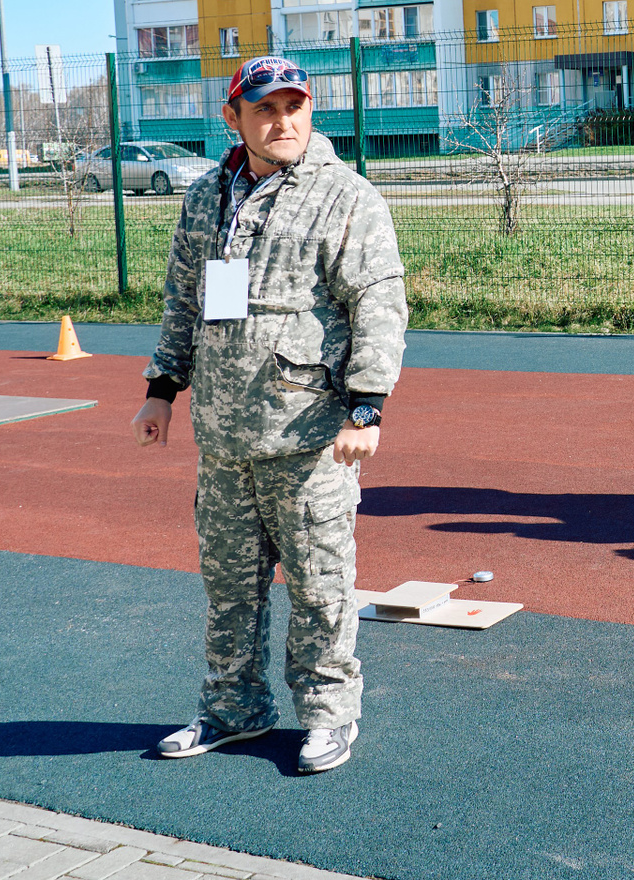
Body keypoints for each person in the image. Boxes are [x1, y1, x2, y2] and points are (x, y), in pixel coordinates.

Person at [130, 56, 408, 774]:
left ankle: (328, 714)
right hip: (224, 439)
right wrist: (163, 387)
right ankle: (234, 710)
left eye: (294, 106)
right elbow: (185, 298)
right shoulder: (207, 198)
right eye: (265, 109)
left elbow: (378, 304)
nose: (283, 121)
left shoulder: (345, 196)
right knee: (229, 590)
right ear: (234, 118)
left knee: (320, 588)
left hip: (308, 436)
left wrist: (367, 407)